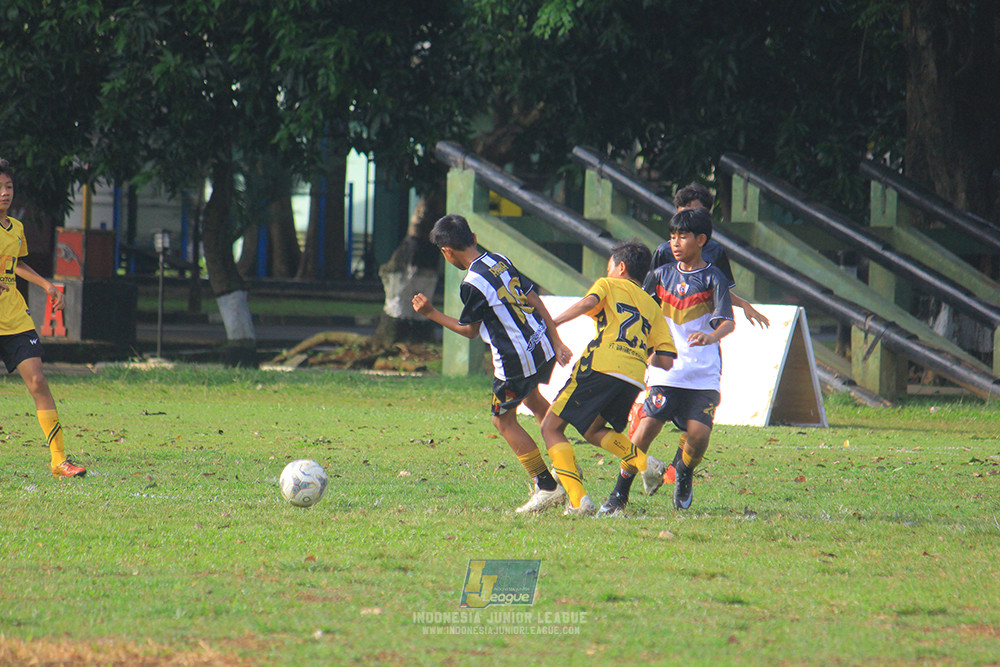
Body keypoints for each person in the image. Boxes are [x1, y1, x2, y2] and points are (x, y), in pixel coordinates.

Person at [412, 214, 573, 513]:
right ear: (473, 236)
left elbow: (470, 330)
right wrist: (557, 338)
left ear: (446, 251)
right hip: (540, 345)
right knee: (536, 402)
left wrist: (431, 312)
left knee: (503, 420)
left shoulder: (472, 283)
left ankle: (547, 487)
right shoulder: (499, 259)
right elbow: (533, 297)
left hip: (515, 363)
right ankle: (567, 472)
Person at [529, 239, 677, 516]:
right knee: (592, 431)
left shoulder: (608, 284)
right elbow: (666, 360)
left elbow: (589, 303)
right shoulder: (653, 306)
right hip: (633, 377)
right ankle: (646, 463)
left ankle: (578, 500)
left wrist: (554, 323)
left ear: (620, 267)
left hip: (600, 367)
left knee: (550, 427)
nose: (608, 271)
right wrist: (634, 353)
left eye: (610, 267)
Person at [602, 208, 733, 514]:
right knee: (645, 429)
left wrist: (711, 337)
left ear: (701, 240)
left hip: (703, 373)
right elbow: (640, 310)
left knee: (698, 437)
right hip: (666, 370)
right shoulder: (660, 275)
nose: (675, 242)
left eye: (683, 236)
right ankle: (619, 493)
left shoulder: (714, 277)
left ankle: (684, 472)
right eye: (672, 236)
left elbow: (727, 322)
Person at [643, 182, 768, 485]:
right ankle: (641, 470)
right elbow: (648, 300)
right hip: (667, 345)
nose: (683, 233)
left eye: (700, 216)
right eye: (687, 216)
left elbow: (718, 293)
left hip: (700, 340)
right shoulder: (663, 255)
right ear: (677, 213)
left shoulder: (715, 254)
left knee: (695, 424)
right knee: (649, 416)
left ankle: (677, 469)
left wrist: (742, 307)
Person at [0, 158, 86, 478]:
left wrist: (47, 285)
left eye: (8, 186)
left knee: (38, 381)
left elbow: (16, 265)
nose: (5, 193)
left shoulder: (16, 228)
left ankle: (59, 460)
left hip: (15, 318)